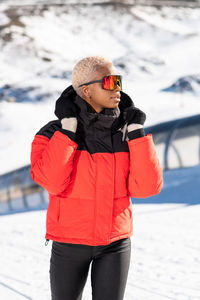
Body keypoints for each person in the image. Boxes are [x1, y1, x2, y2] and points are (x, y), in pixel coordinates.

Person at [30, 55, 163, 300]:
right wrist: (68, 131)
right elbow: (52, 181)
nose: (118, 88)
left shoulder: (128, 131)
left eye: (119, 80)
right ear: (87, 90)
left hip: (115, 243)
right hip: (70, 243)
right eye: (111, 81)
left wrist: (137, 134)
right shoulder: (52, 133)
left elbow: (147, 187)